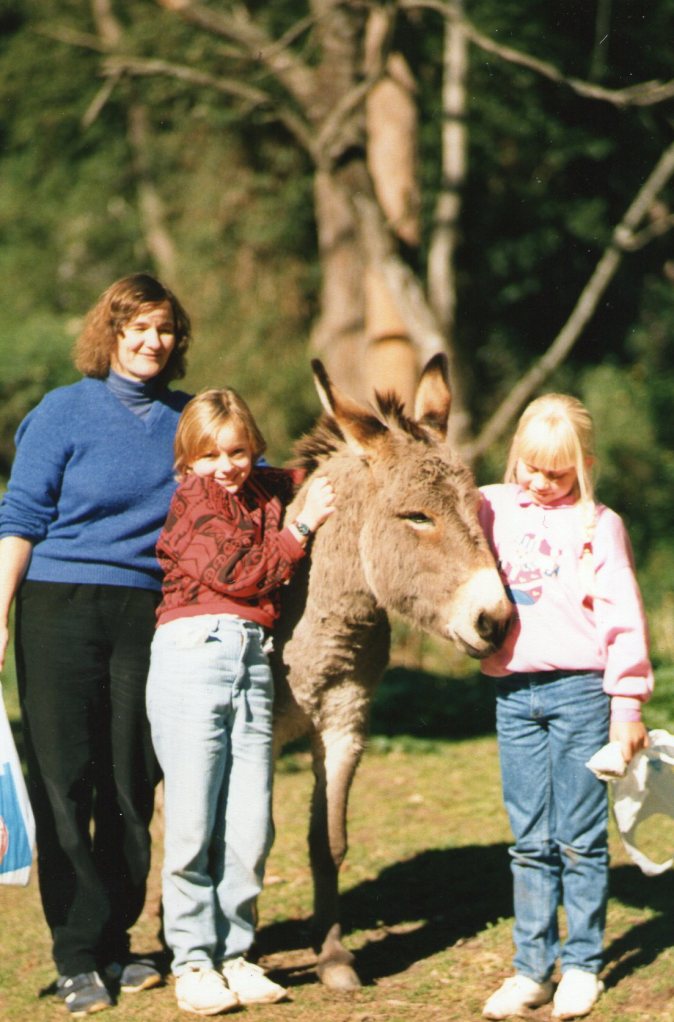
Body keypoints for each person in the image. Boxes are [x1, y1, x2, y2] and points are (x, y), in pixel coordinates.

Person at [0, 273, 194, 1016]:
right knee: (67, 780)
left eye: (165, 329)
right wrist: (1, 613)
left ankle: (117, 937)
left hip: (147, 611)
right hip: (58, 605)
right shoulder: (62, 411)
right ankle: (76, 953)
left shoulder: (187, 419)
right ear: (110, 332)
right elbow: (19, 515)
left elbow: (244, 476)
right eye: (137, 327)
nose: (151, 341)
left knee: (131, 782)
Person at [145, 388, 336, 1016]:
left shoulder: (260, 489)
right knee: (194, 820)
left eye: (237, 451)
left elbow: (314, 472)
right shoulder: (193, 502)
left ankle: (236, 952)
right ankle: (194, 961)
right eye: (209, 455)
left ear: (253, 449)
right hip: (193, 654)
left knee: (251, 821)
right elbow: (242, 573)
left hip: (253, 659)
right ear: (188, 462)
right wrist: (301, 529)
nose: (225, 466)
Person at [478, 394, 653, 1022]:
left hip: (581, 692)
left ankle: (581, 964)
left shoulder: (598, 524)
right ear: (516, 457)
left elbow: (623, 620)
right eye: (532, 467)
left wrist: (626, 706)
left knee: (578, 838)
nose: (543, 483)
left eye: (558, 472)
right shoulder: (491, 507)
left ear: (584, 464)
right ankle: (531, 969)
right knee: (528, 839)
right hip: (514, 695)